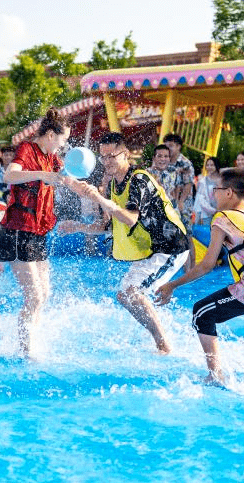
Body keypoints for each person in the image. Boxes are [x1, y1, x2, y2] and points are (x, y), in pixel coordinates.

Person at [154, 169, 244, 383]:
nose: (214, 194)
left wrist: (173, 285)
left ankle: (215, 375)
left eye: (217, 190)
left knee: (201, 313)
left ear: (229, 193)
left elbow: (207, 264)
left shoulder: (222, 218)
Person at [64, 132, 190, 354]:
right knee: (124, 295)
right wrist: (77, 226)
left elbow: (130, 217)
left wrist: (98, 198)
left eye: (112, 156)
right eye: (103, 157)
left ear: (127, 154)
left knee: (132, 291)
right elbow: (108, 225)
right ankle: (161, 339)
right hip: (150, 250)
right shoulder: (114, 185)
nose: (107, 162)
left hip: (170, 247)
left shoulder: (139, 178)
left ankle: (164, 346)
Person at [0, 107, 71, 356]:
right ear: (50, 135)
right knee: (35, 296)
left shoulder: (53, 159)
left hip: (37, 231)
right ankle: (25, 351)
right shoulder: (27, 150)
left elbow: (66, 179)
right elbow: (10, 175)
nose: (62, 147)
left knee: (45, 294)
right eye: (62, 141)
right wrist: (43, 175)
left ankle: (32, 339)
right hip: (17, 230)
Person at [162, 133, 195, 227]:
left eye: (171, 146)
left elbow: (188, 184)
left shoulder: (185, 163)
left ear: (178, 147)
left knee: (184, 234)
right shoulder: (164, 162)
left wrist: (181, 202)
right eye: (166, 146)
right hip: (167, 202)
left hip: (182, 203)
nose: (168, 149)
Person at [193, 157, 222, 225]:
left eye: (212, 165)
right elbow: (201, 199)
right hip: (206, 213)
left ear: (216, 166)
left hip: (220, 212)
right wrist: (213, 211)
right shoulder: (203, 181)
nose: (209, 167)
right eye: (208, 165)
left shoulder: (222, 181)